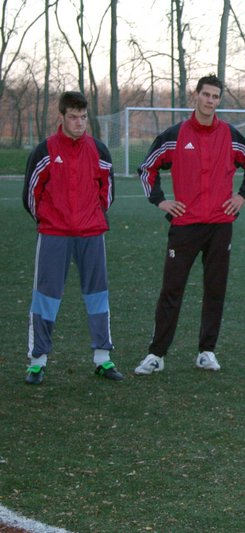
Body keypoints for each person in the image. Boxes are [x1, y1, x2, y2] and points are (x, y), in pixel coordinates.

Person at [134, 74, 245, 376]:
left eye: (216, 97)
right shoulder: (175, 135)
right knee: (172, 289)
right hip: (185, 225)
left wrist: (243, 196)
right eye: (206, 95)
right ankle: (156, 354)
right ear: (196, 95)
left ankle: (206, 352)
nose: (210, 101)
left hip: (220, 225)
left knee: (215, 289)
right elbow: (147, 168)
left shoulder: (230, 135)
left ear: (220, 100)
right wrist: (160, 200)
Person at [22, 90, 123, 384]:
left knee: (97, 296)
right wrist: (50, 221)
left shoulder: (100, 150)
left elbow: (108, 191)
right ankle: (37, 361)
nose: (79, 123)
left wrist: (93, 217)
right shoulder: (45, 151)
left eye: (83, 117)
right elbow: (31, 194)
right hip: (54, 234)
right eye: (73, 117)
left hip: (91, 234)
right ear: (62, 116)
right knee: (46, 298)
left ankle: (102, 359)